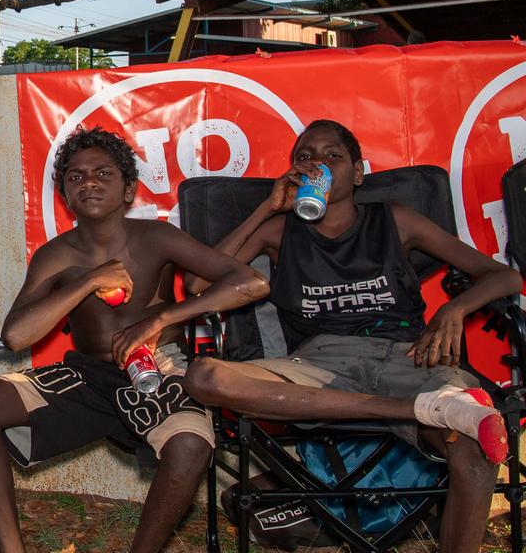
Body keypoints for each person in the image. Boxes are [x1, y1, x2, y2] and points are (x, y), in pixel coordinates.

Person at [184, 119, 521, 553]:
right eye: (304, 157)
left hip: (408, 356)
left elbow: (504, 276)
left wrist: (454, 308)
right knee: (204, 377)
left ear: (358, 173)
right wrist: (268, 207)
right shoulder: (278, 231)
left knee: (475, 448)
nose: (316, 164)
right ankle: (418, 410)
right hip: (320, 363)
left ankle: (429, 407)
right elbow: (197, 285)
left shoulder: (395, 220)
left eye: (332, 156)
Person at [0, 127, 270, 553]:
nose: (88, 182)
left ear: (128, 190)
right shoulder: (56, 255)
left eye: (103, 173)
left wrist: (162, 316)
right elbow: (16, 336)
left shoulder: (156, 237)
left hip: (156, 364)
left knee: (191, 445)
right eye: (75, 176)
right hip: (88, 375)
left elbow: (251, 282)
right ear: (64, 193)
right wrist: (89, 279)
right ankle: (12, 549)